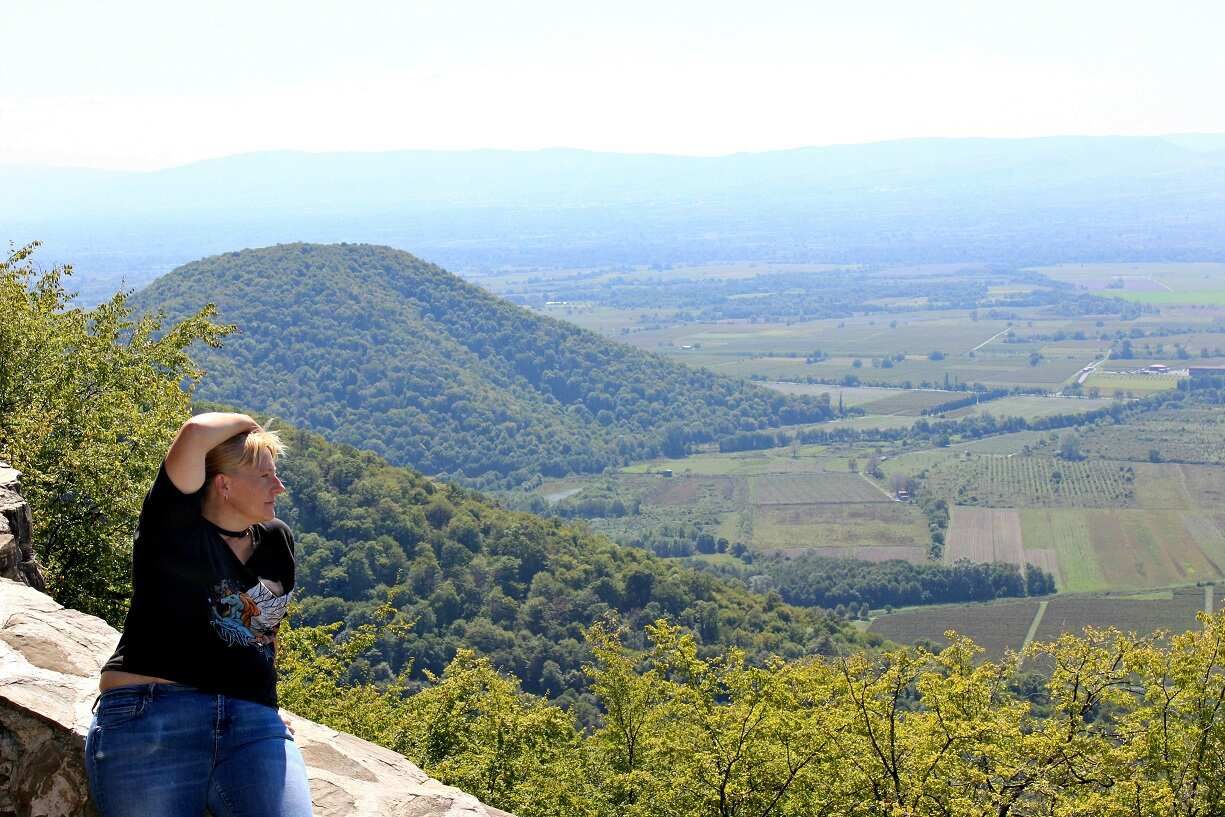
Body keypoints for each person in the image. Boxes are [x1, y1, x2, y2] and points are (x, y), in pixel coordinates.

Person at [85, 412, 313, 817]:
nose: (279, 486)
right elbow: (194, 433)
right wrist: (251, 426)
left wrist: (267, 705)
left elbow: (266, 633)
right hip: (154, 712)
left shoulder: (277, 540)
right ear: (223, 484)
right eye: (265, 476)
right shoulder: (173, 527)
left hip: (252, 724)